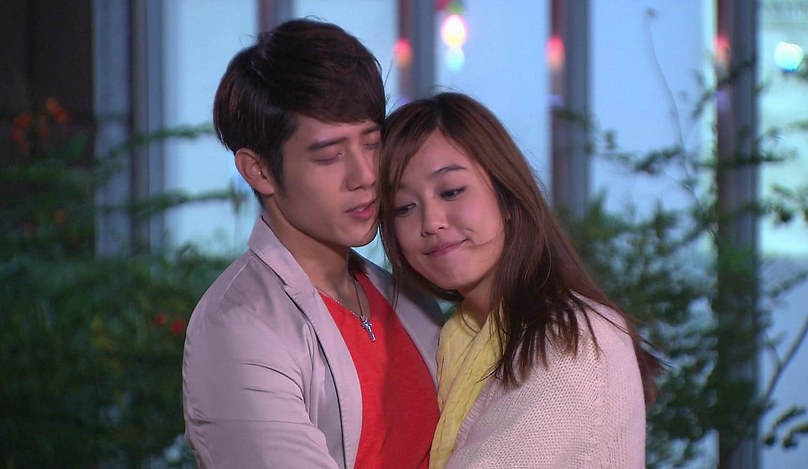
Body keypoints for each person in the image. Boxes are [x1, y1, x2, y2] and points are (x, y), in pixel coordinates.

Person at [182, 19, 444, 469]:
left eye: (372, 144)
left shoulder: (406, 296)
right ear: (259, 170)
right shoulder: (239, 327)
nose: (364, 176)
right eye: (329, 156)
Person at [379, 92, 662, 468]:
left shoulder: (574, 336)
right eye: (403, 208)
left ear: (506, 196)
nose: (431, 222)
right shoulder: (452, 338)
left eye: (451, 191)